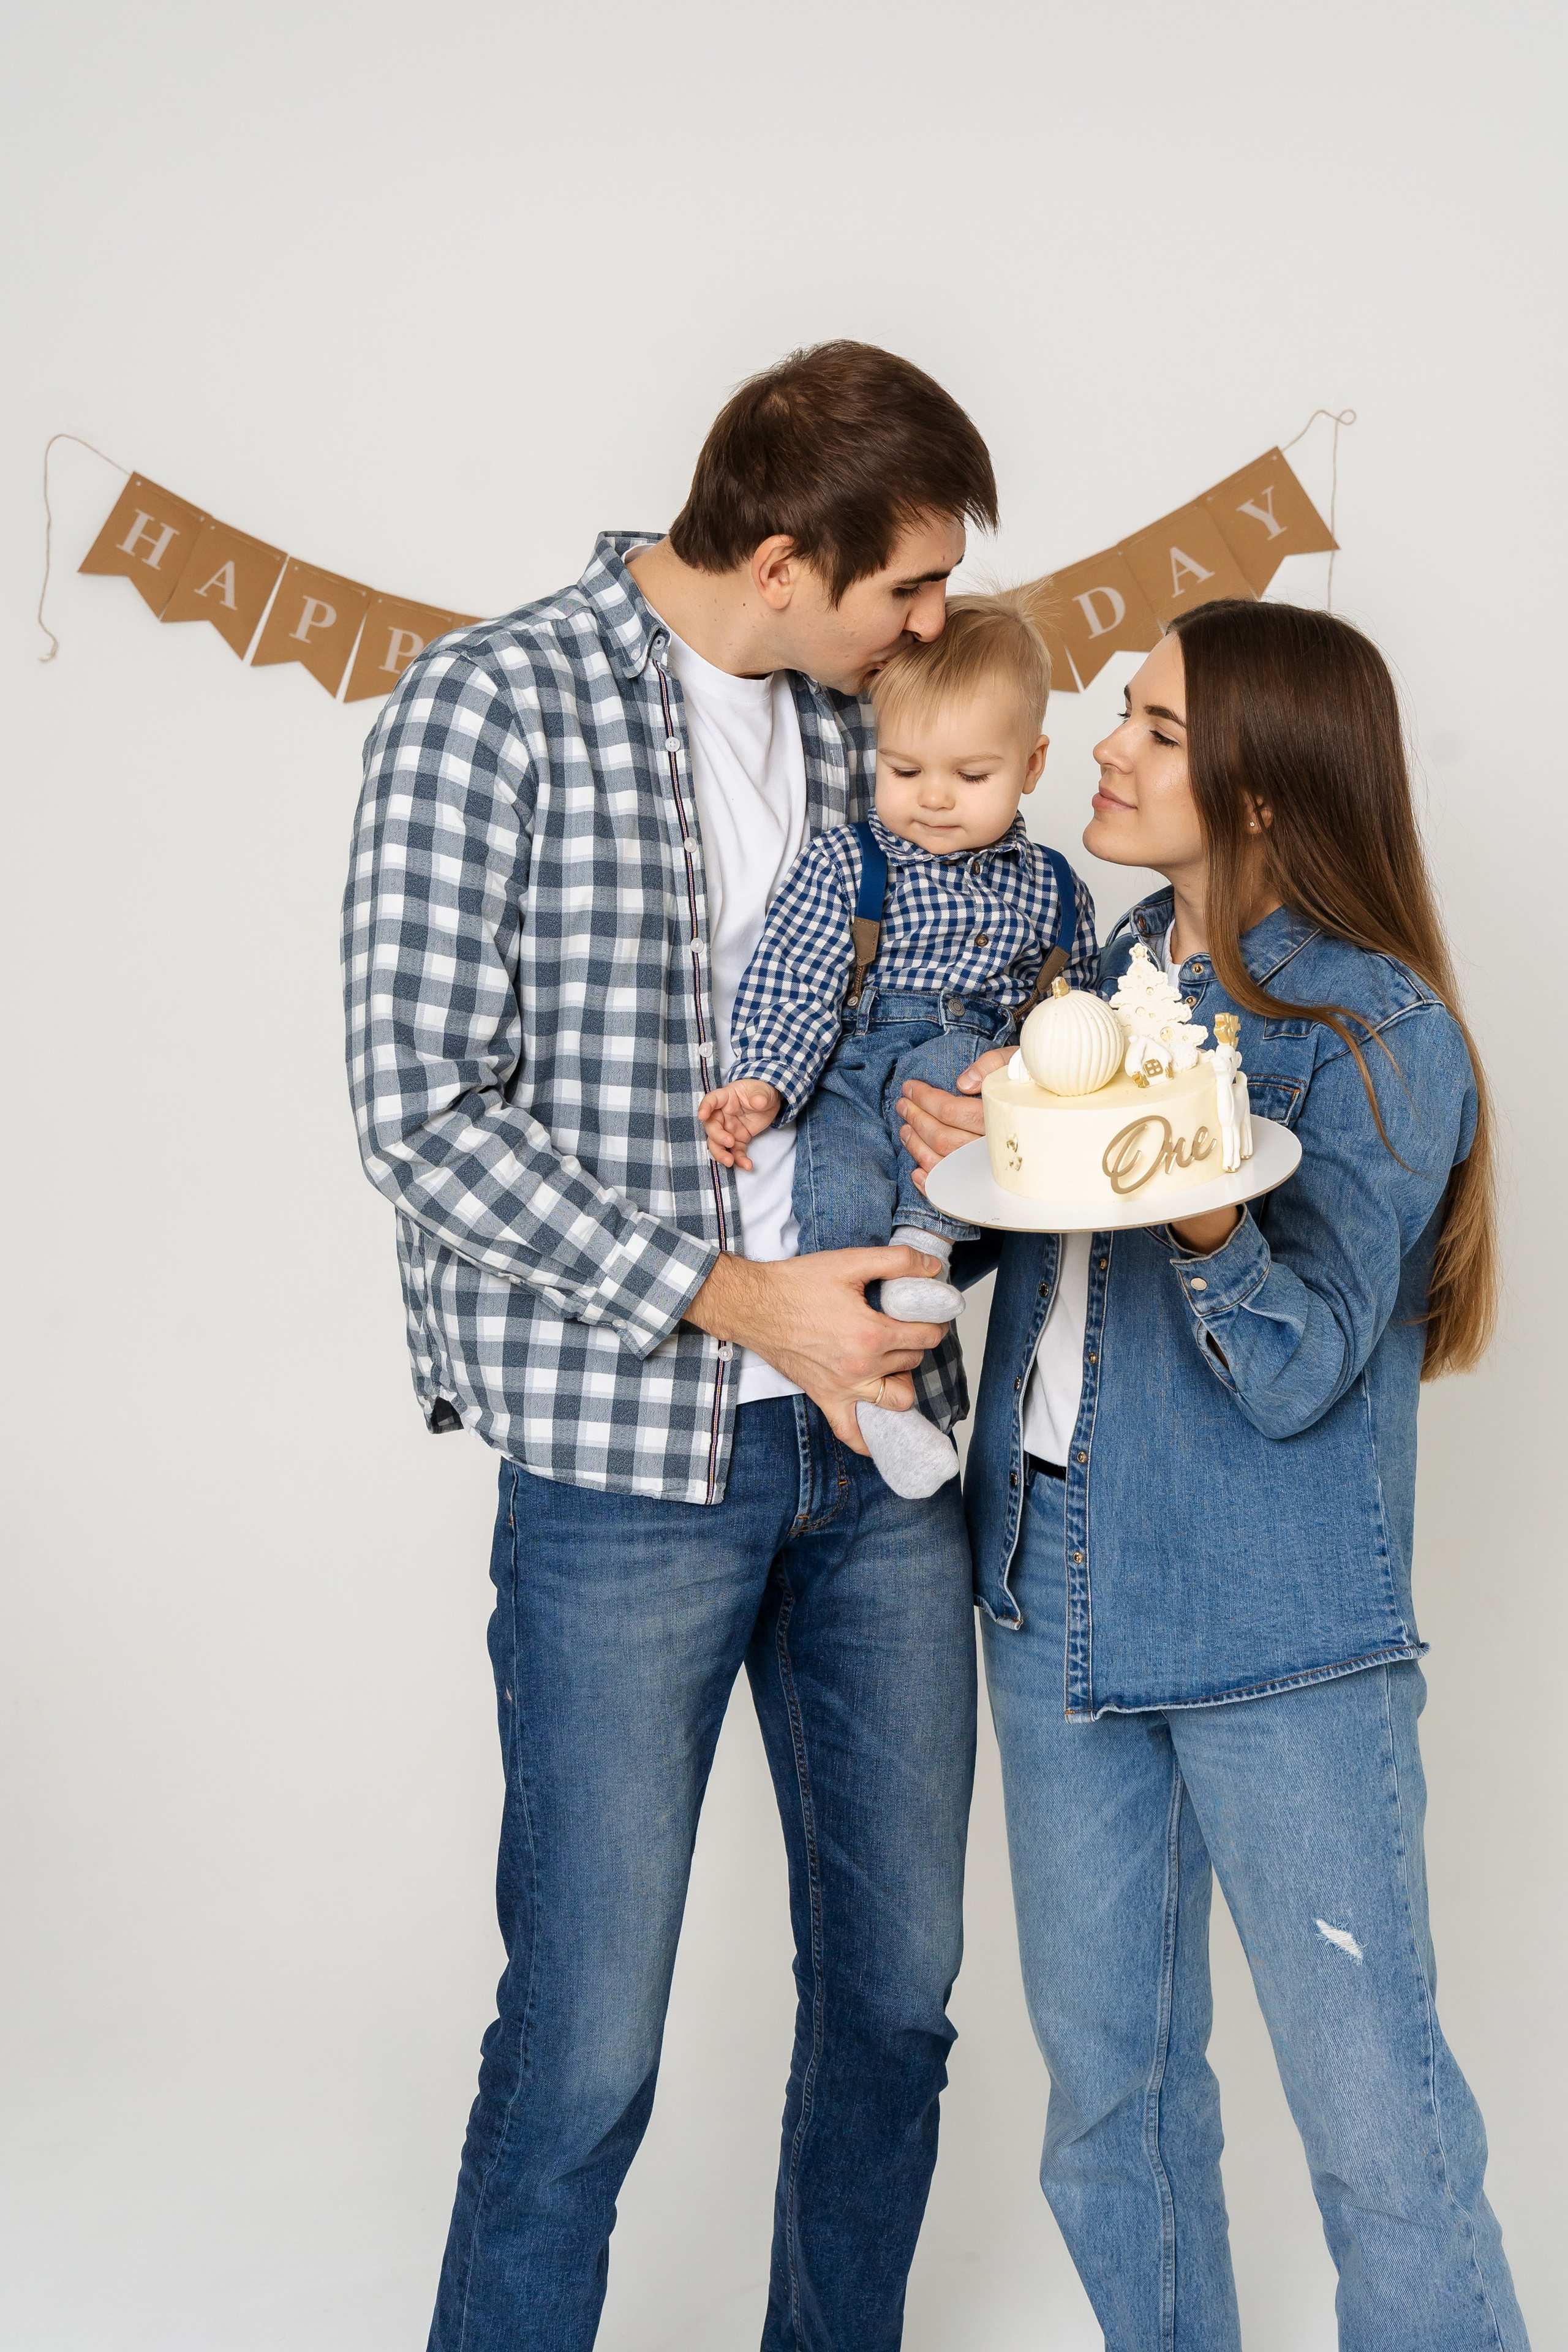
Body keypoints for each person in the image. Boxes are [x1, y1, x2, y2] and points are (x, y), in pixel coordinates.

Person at [342, 341, 999, 2352]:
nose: (937, 628)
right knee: (588, 2052)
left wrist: (962, 1093)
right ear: (790, 560)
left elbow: (943, 972)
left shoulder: (852, 731)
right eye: (909, 589)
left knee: (894, 2013)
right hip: (632, 1468)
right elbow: (414, 1106)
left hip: (877, 1448)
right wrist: (733, 1299)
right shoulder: (489, 704)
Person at [899, 600, 1530, 2350]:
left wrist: (1207, 1210)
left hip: (1279, 1630)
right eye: (1128, 715)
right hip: (1044, 1598)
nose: (1104, 747)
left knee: (1378, 2128)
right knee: (1112, 2114)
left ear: (1264, 788)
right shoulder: (1099, 977)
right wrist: (951, 1150)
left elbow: (1297, 1365)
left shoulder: (1371, 1028)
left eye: (1160, 731)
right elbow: (1017, 1264)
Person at [698, 592, 1096, 1498]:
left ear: (1032, 766)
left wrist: (1027, 1072)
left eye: (971, 774)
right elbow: (794, 985)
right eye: (907, 769)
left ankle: (925, 1248)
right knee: (834, 1196)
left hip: (962, 1077)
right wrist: (763, 1084)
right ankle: (882, 1399)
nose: (935, 798)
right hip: (849, 1074)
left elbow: (1074, 1017)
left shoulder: (1060, 893)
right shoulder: (847, 864)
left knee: (949, 1082)